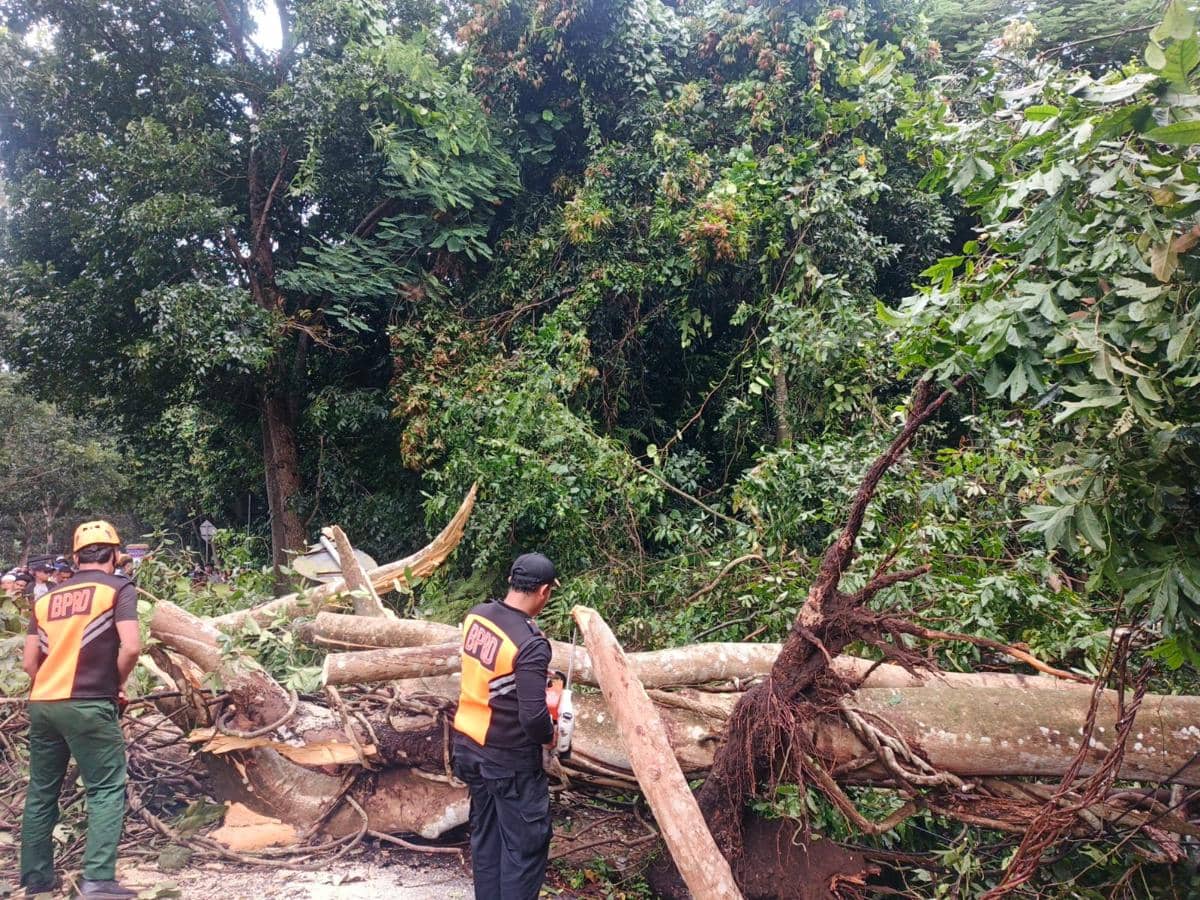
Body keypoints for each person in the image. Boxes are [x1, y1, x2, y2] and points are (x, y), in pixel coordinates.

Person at [20, 520, 141, 899]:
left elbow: (28, 663)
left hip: (42, 703)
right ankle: (98, 880)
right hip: (88, 703)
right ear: (116, 555)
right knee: (105, 788)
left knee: (41, 790)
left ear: (74, 558)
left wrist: (53, 682)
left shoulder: (44, 598)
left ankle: (36, 879)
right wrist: (116, 683)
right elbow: (132, 647)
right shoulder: (118, 588)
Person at [452, 553, 559, 900]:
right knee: (524, 849)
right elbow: (533, 719)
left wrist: (532, 678)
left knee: (487, 837)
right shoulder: (530, 642)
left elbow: (492, 674)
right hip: (509, 760)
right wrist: (550, 737)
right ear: (543, 591)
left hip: (468, 746)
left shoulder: (477, 616)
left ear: (513, 581)